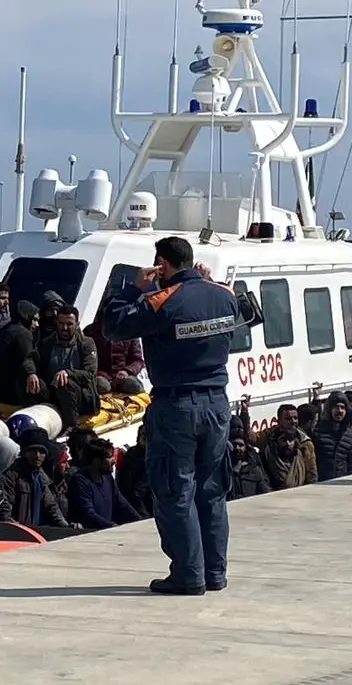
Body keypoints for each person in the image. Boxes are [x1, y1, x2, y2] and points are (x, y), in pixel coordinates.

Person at [103, 236, 244, 595]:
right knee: (211, 491)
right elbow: (244, 315)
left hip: (177, 406)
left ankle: (188, 574)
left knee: (175, 490)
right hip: (217, 404)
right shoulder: (224, 294)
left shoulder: (160, 300)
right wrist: (208, 282)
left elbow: (113, 326)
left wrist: (134, 288)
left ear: (162, 264)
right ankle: (215, 572)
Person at [33, 305, 101, 430]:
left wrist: (68, 373)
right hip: (52, 391)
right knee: (32, 381)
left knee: (65, 383)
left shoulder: (86, 344)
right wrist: (30, 373)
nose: (64, 328)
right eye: (61, 323)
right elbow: (33, 360)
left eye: (69, 324)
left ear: (77, 324)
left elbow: (90, 374)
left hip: (80, 395)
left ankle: (72, 428)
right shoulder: (47, 343)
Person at [0, 432, 74, 527]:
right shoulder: (12, 476)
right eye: (33, 451)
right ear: (25, 453)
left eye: (42, 452)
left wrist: (66, 526)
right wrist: (17, 528)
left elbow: (51, 506)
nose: (37, 456)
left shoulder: (41, 477)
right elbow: (4, 510)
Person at [67, 438, 143, 530]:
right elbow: (88, 513)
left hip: (108, 531)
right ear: (96, 460)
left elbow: (122, 504)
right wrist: (112, 526)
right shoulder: (80, 481)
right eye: (109, 457)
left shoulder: (108, 478)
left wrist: (141, 521)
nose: (113, 461)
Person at [0, 300, 42, 407]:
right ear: (26, 317)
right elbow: (26, 357)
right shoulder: (23, 334)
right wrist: (31, 373)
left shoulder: (6, 329)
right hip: (11, 392)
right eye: (34, 320)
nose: (37, 325)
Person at [84, 314, 146, 395]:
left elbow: (138, 360)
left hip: (124, 377)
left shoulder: (130, 332)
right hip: (101, 376)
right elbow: (87, 358)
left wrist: (126, 371)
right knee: (101, 385)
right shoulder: (91, 331)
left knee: (133, 385)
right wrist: (104, 376)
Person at [311, 393, 352, 481]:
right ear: (329, 409)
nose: (339, 410)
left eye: (342, 407)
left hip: (342, 482)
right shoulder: (318, 433)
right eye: (336, 407)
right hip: (322, 483)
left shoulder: (349, 435)